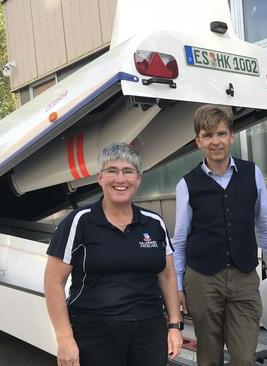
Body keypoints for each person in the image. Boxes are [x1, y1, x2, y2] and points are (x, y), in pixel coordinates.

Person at [44, 143, 184, 366]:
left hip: (149, 330)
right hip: (95, 332)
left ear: (138, 178)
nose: (120, 179)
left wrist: (174, 326)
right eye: (112, 171)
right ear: (99, 178)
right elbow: (53, 282)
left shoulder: (153, 222)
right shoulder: (79, 222)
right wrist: (64, 338)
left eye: (128, 171)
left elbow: (167, 276)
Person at [173, 105, 267, 366]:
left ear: (232, 136)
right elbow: (179, 241)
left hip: (244, 276)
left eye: (221, 134)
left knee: (245, 357)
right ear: (198, 141)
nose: (216, 141)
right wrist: (178, 286)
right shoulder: (186, 184)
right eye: (208, 135)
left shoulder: (252, 173)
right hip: (202, 279)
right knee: (209, 357)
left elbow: (265, 224)